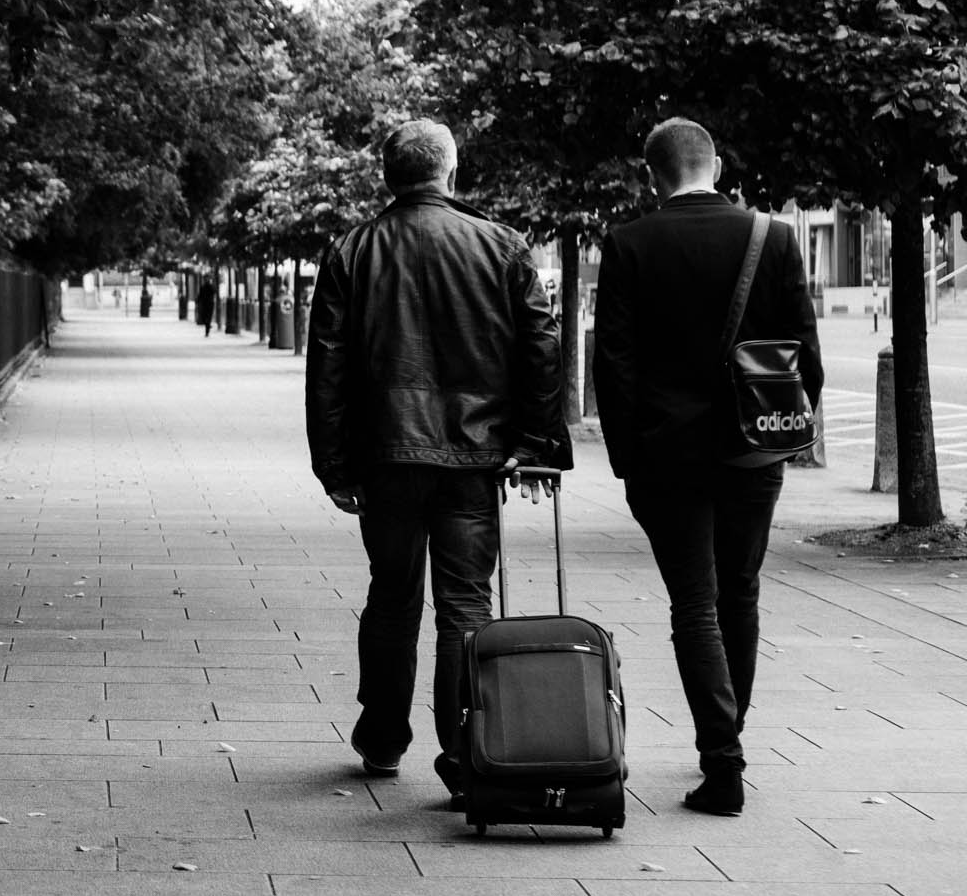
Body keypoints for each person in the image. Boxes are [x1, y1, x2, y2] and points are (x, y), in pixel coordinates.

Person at [306, 119, 570, 797]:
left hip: (386, 454)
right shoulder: (501, 246)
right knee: (465, 606)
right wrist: (535, 445)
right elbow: (542, 349)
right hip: (473, 457)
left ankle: (383, 737)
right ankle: (466, 751)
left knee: (392, 596)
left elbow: (328, 368)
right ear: (452, 173)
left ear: (388, 176)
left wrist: (334, 463)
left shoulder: (351, 250)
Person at [593, 118, 822, 817]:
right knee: (741, 593)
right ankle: (728, 738)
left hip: (668, 456)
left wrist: (629, 462)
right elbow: (805, 357)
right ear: (716, 164)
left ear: (650, 175)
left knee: (694, 603)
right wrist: (786, 428)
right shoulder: (773, 237)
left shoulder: (629, 244)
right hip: (754, 448)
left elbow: (615, 366)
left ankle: (722, 759)